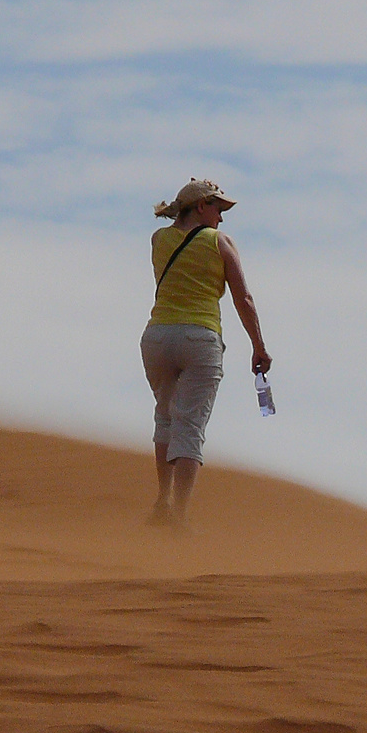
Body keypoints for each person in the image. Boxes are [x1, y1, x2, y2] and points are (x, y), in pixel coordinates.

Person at [140, 178, 271, 528]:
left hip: (157, 337)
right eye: (218, 208)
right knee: (190, 425)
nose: (222, 218)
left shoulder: (158, 239)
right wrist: (258, 346)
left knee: (165, 417)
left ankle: (162, 502)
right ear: (201, 206)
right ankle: (179, 517)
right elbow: (243, 298)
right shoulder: (220, 243)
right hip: (200, 338)